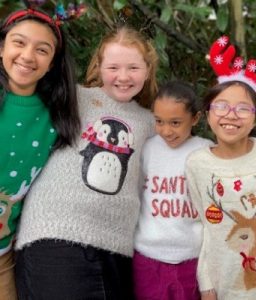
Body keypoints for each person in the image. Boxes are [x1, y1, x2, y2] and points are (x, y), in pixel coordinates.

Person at [15, 25, 159, 300]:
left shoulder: (152, 122)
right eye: (113, 67)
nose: (123, 76)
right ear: (98, 66)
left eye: (134, 68)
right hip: (55, 237)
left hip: (118, 249)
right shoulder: (75, 97)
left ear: (148, 70)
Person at [185, 36, 256, 300]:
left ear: (255, 117)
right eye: (221, 106)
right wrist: (206, 284)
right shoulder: (197, 163)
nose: (231, 115)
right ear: (208, 113)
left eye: (243, 108)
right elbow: (202, 227)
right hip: (224, 281)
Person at [0, 4, 80, 299]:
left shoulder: (57, 118)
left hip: (3, 257)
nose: (27, 56)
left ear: (52, 64)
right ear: (1, 47)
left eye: (42, 50)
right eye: (18, 42)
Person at [133, 80, 212, 300]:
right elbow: (136, 196)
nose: (166, 130)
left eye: (176, 122)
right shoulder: (147, 148)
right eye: (159, 121)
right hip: (148, 258)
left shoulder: (206, 152)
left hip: (192, 260)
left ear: (195, 118)